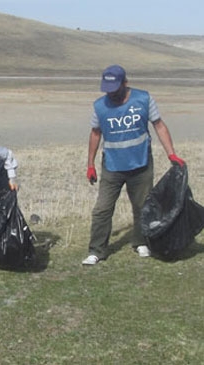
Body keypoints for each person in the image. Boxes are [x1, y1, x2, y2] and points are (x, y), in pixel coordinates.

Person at [82, 64, 185, 265]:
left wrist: (171, 154)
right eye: (107, 90)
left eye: (115, 89)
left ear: (125, 83)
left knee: (143, 206)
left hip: (141, 163)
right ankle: (97, 250)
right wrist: (90, 164)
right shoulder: (99, 106)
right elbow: (95, 133)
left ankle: (140, 242)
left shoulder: (144, 99)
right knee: (102, 209)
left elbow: (159, 125)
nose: (111, 94)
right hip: (112, 165)